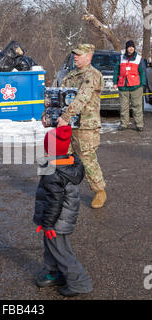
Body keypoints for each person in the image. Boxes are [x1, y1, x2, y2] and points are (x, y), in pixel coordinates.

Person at [34, 125, 92, 298]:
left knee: (61, 251)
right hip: (57, 218)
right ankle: (54, 272)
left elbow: (54, 202)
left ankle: (80, 283)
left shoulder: (54, 172)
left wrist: (48, 224)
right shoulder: (66, 163)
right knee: (51, 247)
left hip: (57, 221)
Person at [46, 43, 106, 209]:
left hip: (86, 125)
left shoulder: (93, 74)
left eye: (79, 54)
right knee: (64, 158)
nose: (76, 57)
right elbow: (58, 98)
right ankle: (65, 191)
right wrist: (49, 116)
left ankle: (99, 190)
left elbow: (82, 98)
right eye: (75, 54)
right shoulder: (70, 75)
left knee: (87, 159)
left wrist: (65, 117)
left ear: (89, 56)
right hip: (68, 125)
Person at [113, 40, 146, 131]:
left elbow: (142, 72)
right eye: (129, 47)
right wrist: (115, 82)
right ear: (126, 48)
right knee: (124, 106)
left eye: (132, 47)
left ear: (134, 48)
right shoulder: (121, 58)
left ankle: (139, 125)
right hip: (123, 86)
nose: (131, 48)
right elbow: (116, 71)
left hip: (136, 86)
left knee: (137, 106)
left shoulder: (139, 58)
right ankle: (124, 124)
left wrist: (143, 84)